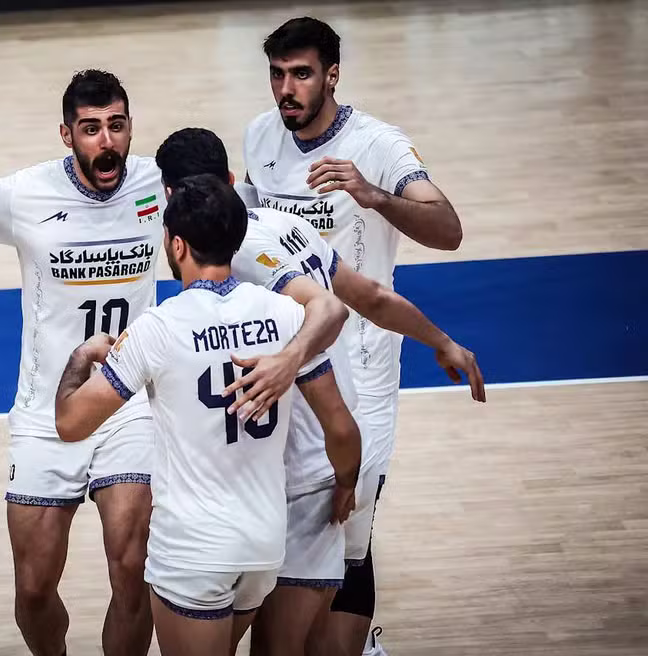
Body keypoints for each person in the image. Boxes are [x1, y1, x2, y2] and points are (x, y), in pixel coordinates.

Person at [0, 70, 346, 655]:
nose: (106, 140)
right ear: (67, 135)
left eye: (116, 125)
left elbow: (227, 213)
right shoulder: (19, 195)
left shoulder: (158, 185)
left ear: (131, 127)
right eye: (91, 129)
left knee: (132, 569)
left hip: (129, 407)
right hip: (45, 412)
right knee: (33, 588)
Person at [156, 127, 484, 655]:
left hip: (299, 471)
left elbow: (331, 309)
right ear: (232, 180)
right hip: (334, 453)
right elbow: (371, 296)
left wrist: (288, 361)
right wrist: (441, 340)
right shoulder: (285, 225)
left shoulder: (237, 255)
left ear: (171, 198)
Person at [54, 174, 361, 656]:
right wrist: (346, 483)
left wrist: (79, 358)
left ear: (177, 245)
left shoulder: (158, 328)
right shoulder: (286, 315)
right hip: (263, 545)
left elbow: (71, 424)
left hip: (192, 550)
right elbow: (340, 426)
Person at [244, 17, 468, 655]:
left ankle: (359, 644)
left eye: (301, 74)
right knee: (294, 523)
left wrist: (372, 194)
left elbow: (448, 229)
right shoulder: (260, 136)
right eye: (278, 75)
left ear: (332, 76)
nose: (286, 89)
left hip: (363, 369)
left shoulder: (378, 144)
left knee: (348, 527)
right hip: (291, 364)